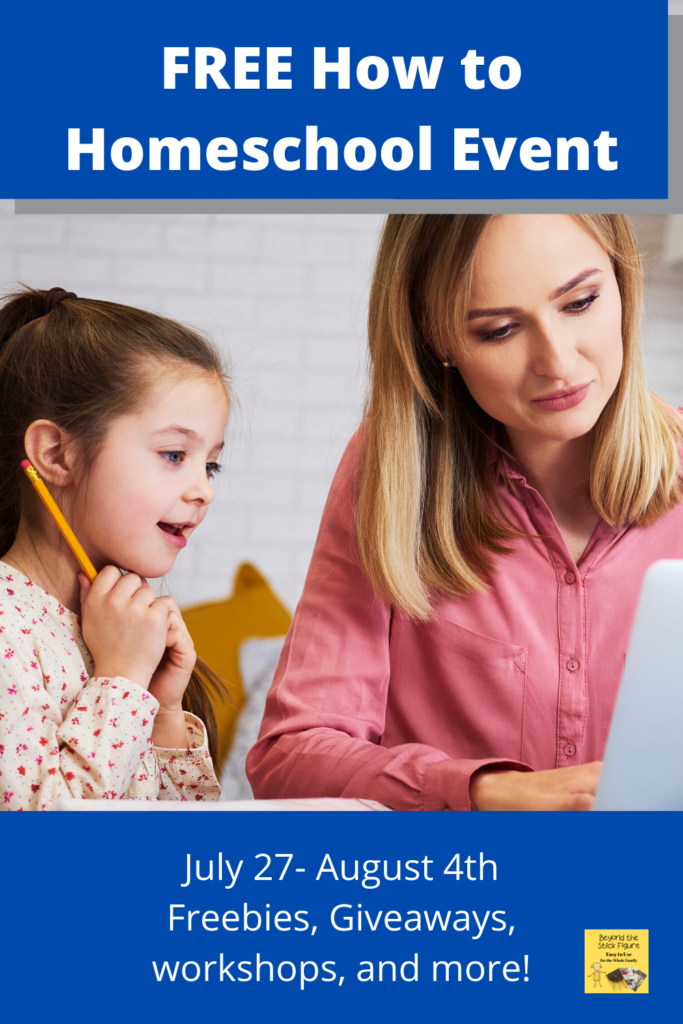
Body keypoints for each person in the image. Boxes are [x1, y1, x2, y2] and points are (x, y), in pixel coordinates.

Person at [247, 214, 683, 811]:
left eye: (580, 302)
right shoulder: (394, 473)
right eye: (500, 330)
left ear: (622, 284)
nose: (557, 362)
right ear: (436, 339)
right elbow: (289, 759)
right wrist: (484, 791)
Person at [0, 286, 230, 810]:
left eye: (210, 464)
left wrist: (165, 708)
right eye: (174, 454)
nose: (205, 490)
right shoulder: (7, 629)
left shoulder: (124, 626)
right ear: (56, 454)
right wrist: (123, 681)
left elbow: (179, 853)